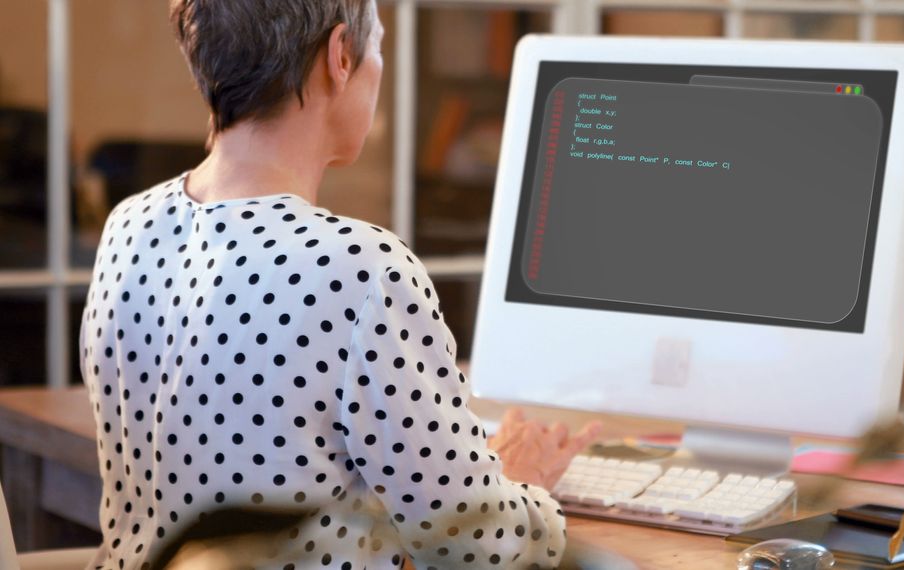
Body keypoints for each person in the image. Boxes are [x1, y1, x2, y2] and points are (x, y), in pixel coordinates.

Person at [78, 1, 601, 568]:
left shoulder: (131, 223)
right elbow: (475, 548)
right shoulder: (358, 267)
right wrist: (525, 485)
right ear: (340, 57)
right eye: (376, 46)